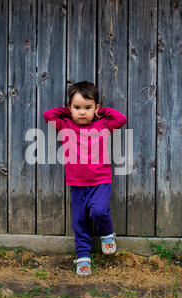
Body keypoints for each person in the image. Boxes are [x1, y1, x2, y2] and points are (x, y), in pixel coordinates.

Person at [43, 81, 127, 276]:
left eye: (87, 108)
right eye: (77, 107)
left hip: (100, 182)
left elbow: (121, 119)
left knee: (99, 211)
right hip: (77, 184)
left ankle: (107, 234)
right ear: (69, 108)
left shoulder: (103, 124)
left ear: (96, 108)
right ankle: (83, 257)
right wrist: (67, 112)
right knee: (79, 221)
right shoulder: (65, 124)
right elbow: (49, 115)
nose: (82, 112)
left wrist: (100, 111)